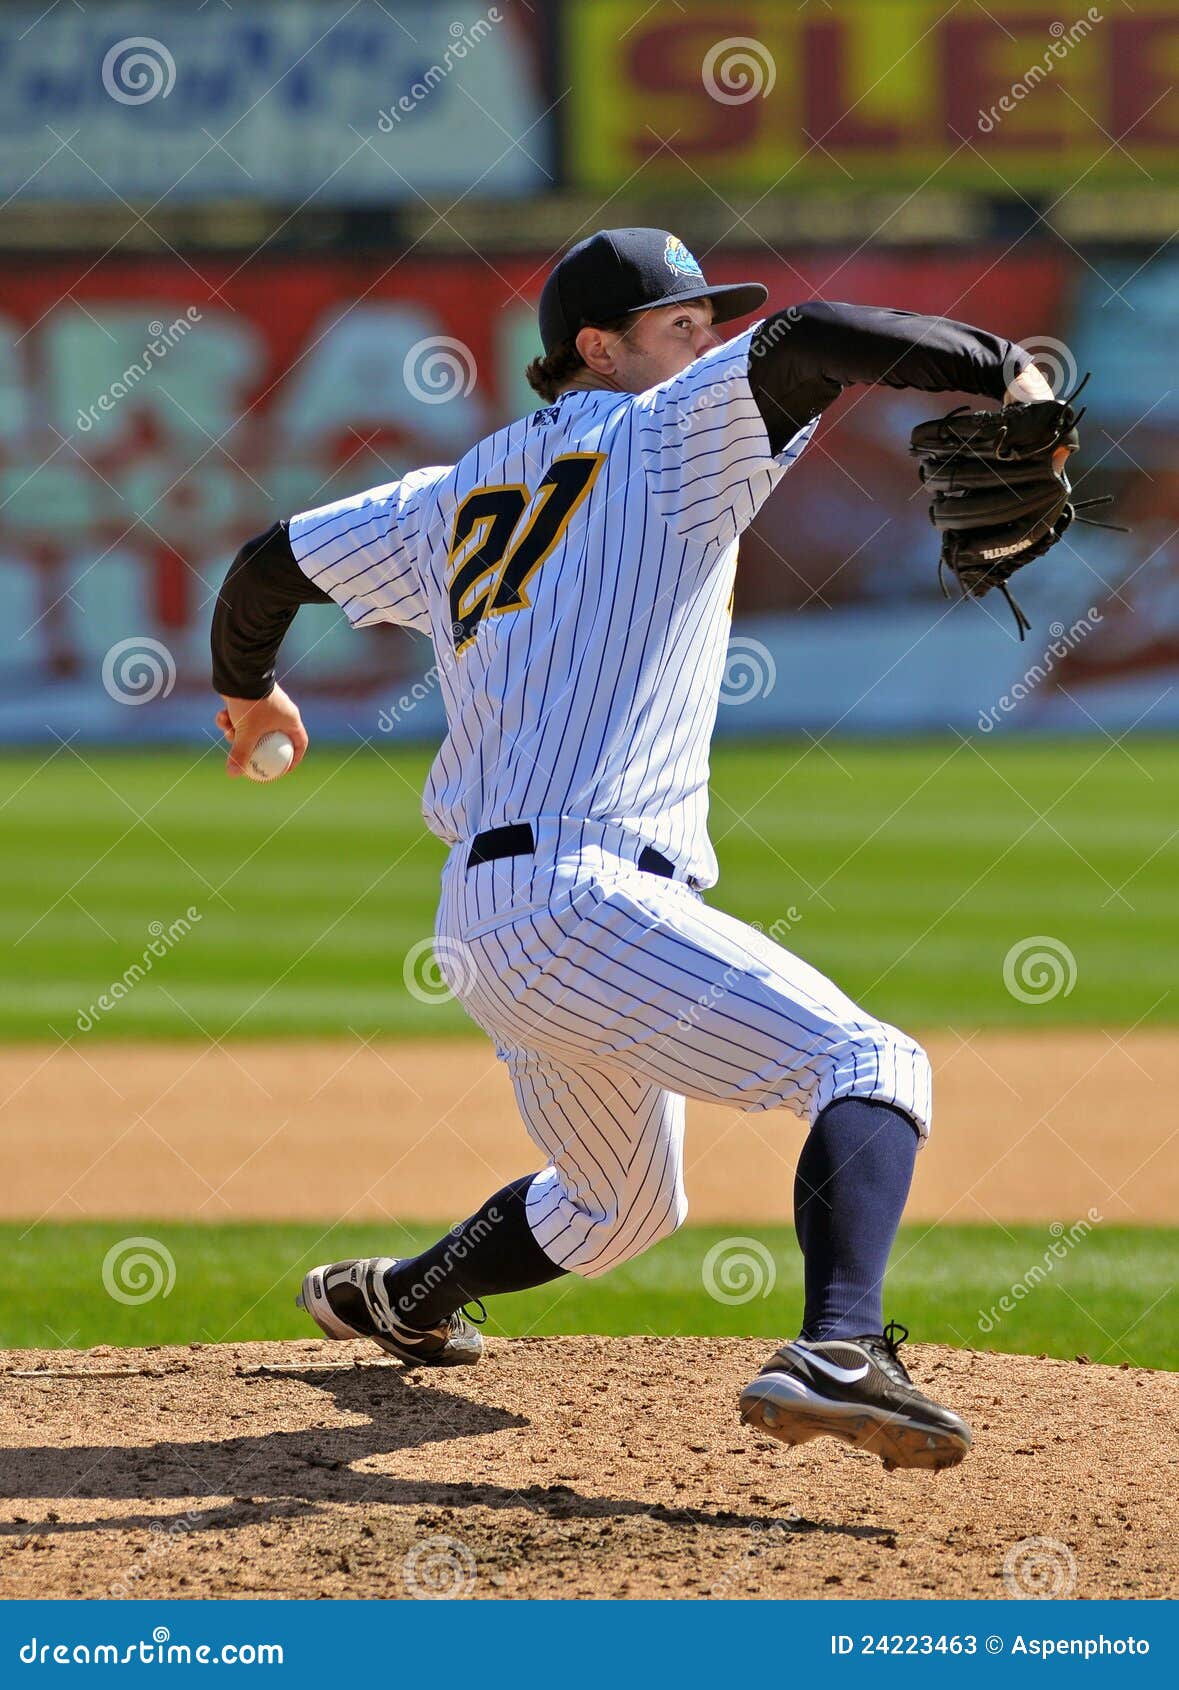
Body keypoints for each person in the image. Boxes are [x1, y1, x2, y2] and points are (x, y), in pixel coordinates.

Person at [212, 228, 1051, 1472]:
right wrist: (1009, 373)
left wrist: (250, 696)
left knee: (622, 1207)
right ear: (596, 348)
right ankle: (841, 1348)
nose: (706, 343)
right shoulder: (665, 433)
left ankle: (403, 1296)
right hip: (586, 893)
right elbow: (814, 340)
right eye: (679, 325)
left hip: (490, 918)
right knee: (872, 1058)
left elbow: (264, 564)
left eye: (711, 323)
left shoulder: (451, 494)